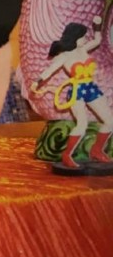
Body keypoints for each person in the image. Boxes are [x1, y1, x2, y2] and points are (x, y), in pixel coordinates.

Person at [31, 16, 113, 169]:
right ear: (75, 38)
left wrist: (97, 25)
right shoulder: (64, 56)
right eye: (82, 37)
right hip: (77, 91)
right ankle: (67, 154)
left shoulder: (83, 49)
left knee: (110, 120)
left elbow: (97, 40)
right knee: (82, 123)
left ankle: (97, 150)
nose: (84, 39)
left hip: (90, 88)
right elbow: (49, 71)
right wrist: (37, 82)